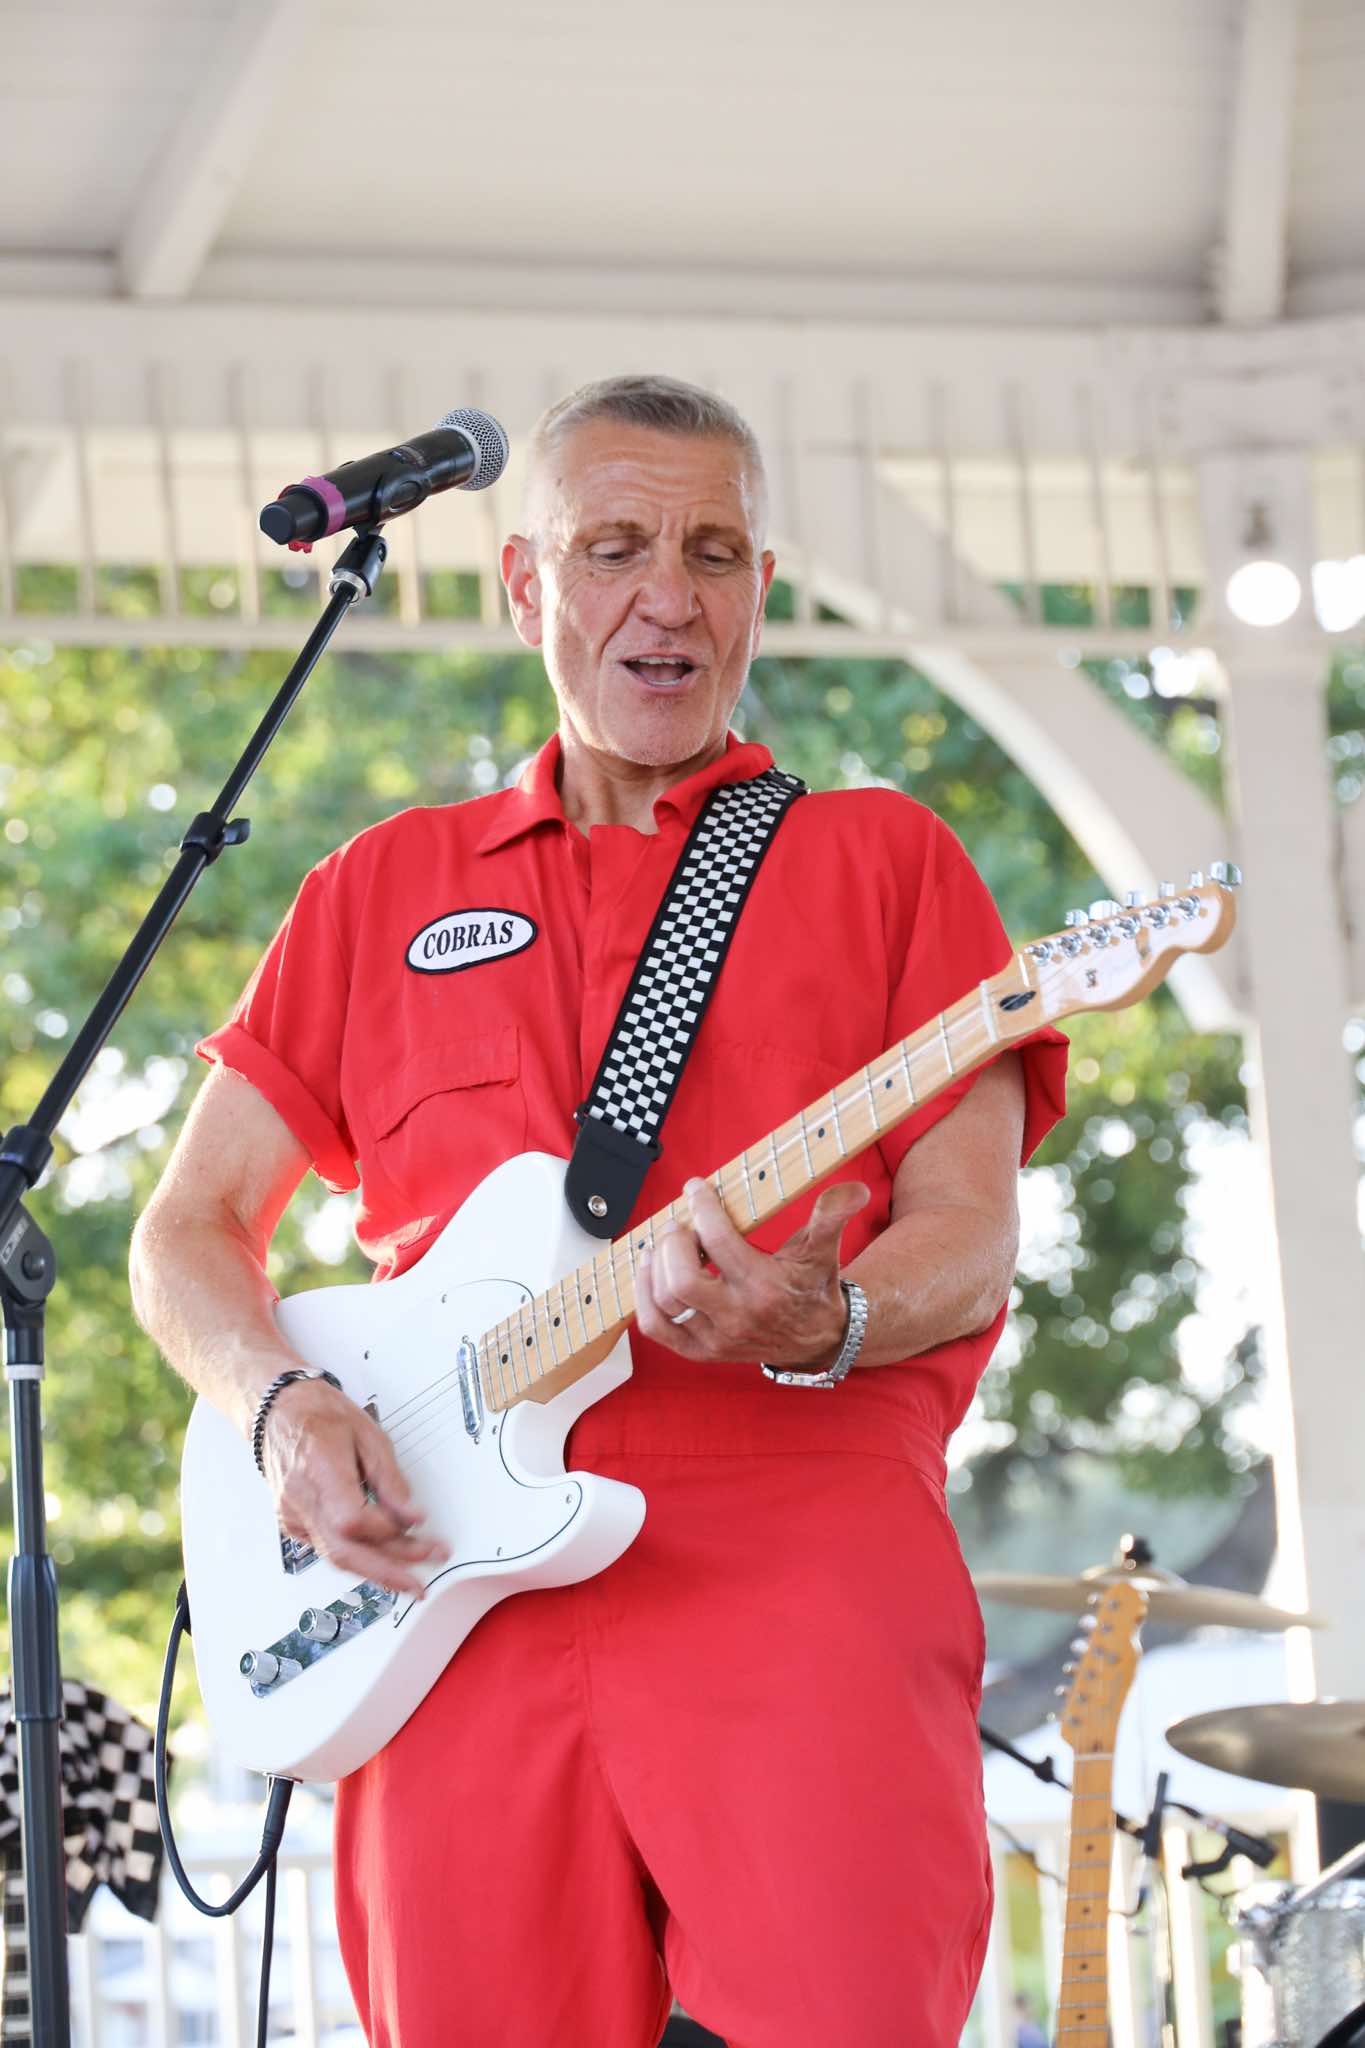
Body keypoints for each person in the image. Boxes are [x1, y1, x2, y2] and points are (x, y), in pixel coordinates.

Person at [130, 374, 1067, 2048]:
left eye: (711, 553)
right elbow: (186, 1231)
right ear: (523, 585)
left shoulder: (884, 861)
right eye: (613, 548)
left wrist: (832, 1313)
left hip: (796, 1564)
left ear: (759, 591)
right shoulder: (378, 887)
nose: (668, 597)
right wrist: (278, 1407)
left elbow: (969, 1228)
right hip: (446, 1590)